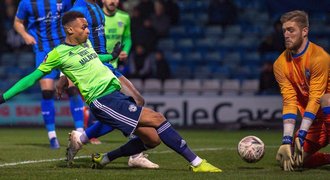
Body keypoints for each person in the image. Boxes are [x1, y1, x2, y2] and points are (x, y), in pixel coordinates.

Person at [0, 11, 222, 173]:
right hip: (103, 100)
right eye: (83, 27)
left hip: (115, 96)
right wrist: (4, 97)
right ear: (70, 30)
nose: (88, 30)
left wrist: (112, 55)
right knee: (157, 118)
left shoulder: (85, 45)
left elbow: (98, 58)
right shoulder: (58, 53)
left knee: (153, 139)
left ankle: (104, 159)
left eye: (87, 26)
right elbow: (32, 78)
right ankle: (197, 163)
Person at [64, 0, 158, 168]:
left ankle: (81, 139)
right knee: (134, 102)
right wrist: (65, 75)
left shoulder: (96, 8)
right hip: (95, 66)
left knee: (128, 106)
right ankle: (135, 155)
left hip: (107, 63)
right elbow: (69, 42)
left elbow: (125, 38)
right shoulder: (79, 9)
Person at [13, 0, 85, 149]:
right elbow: (17, 22)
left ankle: (80, 132)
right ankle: (52, 136)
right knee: (47, 92)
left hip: (64, 48)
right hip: (42, 50)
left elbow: (72, 19)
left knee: (72, 89)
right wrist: (25, 35)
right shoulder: (27, 3)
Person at [274, 10, 330, 171]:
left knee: (326, 99)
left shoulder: (319, 57)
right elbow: (289, 101)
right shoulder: (280, 64)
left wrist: (302, 133)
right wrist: (286, 140)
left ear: (305, 31)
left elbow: (316, 98)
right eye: (284, 30)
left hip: (326, 109)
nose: (286, 34)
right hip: (316, 123)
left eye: (291, 30)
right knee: (291, 160)